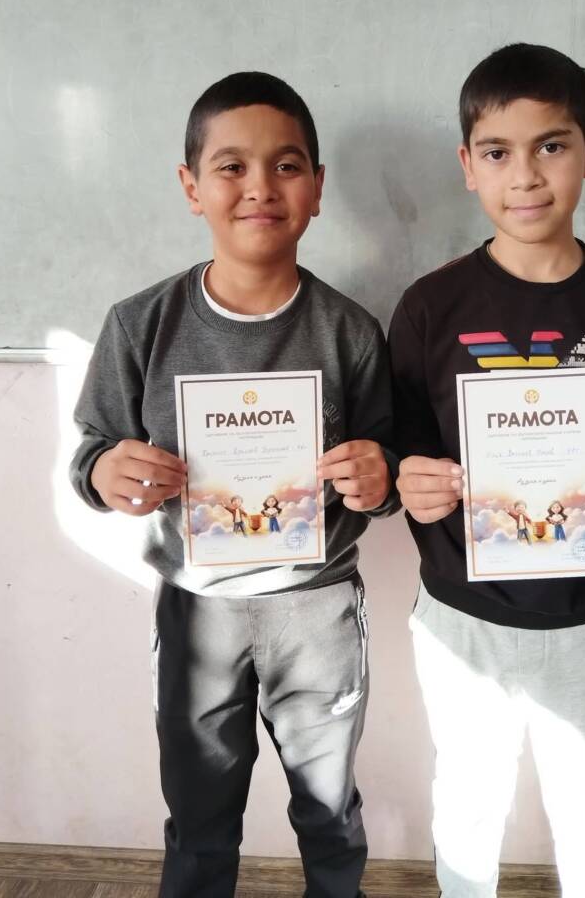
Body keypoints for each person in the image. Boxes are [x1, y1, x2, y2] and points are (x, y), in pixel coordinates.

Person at [70, 72, 398, 898]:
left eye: (287, 166)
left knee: (329, 810)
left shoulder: (351, 331)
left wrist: (378, 477)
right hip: (197, 609)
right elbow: (93, 452)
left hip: (317, 608)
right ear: (192, 187)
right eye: (231, 167)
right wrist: (104, 471)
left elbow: (388, 468)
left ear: (316, 187)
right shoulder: (140, 325)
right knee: (199, 815)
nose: (260, 187)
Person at [388, 43, 585, 898]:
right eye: (497, 152)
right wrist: (409, 478)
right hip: (461, 618)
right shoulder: (429, 307)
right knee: (467, 810)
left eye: (551, 146)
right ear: (467, 166)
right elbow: (399, 445)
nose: (524, 176)